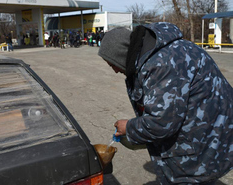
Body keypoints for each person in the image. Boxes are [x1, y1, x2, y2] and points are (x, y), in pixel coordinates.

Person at [98, 23, 233, 185]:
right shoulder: (168, 50)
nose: (114, 70)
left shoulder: (160, 64)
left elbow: (162, 122)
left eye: (111, 63)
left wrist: (129, 127)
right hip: (213, 132)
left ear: (120, 55)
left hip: (204, 144)